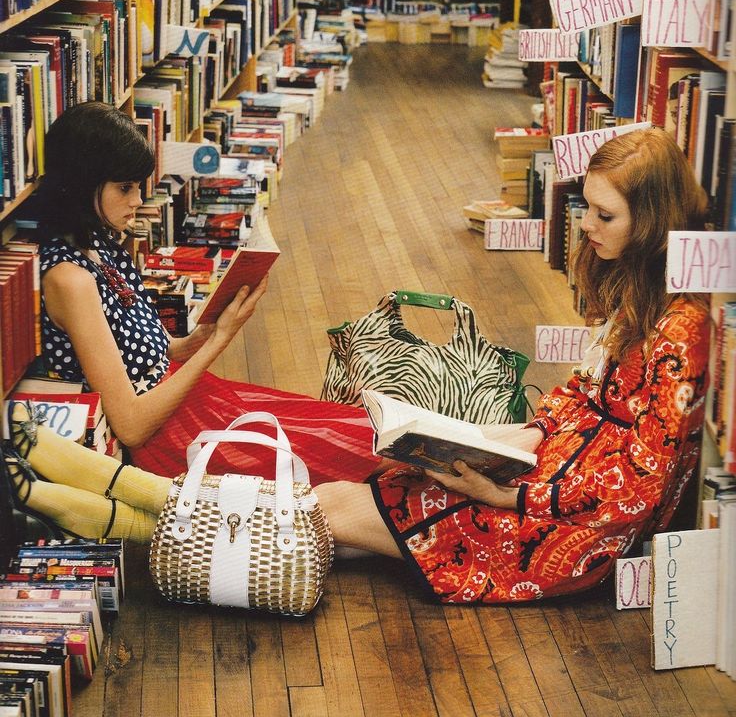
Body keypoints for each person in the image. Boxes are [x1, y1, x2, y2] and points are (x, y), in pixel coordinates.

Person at [7, 122, 712, 606]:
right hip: (549, 477)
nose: (584, 226)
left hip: (562, 521)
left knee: (343, 497)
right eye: (585, 208)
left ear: (649, 222)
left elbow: (638, 482)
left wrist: (514, 491)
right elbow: (584, 407)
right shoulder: (643, 303)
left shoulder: (679, 331)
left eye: (601, 216)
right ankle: (115, 499)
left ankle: (135, 506)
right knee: (357, 485)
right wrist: (514, 443)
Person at [5, 101, 383, 541]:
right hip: (168, 438)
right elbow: (130, 424)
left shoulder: (101, 243)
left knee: (359, 429)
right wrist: (217, 343)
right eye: (124, 188)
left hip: (195, 401)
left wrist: (203, 332)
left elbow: (154, 350)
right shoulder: (69, 279)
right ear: (82, 185)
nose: (137, 201)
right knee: (354, 453)